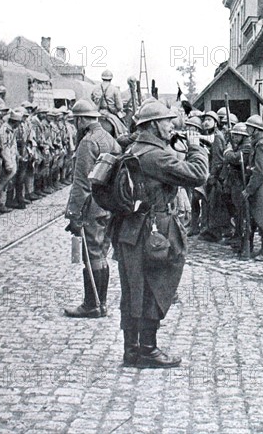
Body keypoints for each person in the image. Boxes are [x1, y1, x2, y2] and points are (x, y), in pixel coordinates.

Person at [109, 98, 208, 368]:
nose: (171, 125)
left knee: (133, 289)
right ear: (152, 125)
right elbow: (198, 174)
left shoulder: (135, 149)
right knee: (156, 285)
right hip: (153, 231)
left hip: (130, 229)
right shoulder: (156, 156)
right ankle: (148, 350)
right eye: (166, 121)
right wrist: (196, 148)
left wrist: (172, 147)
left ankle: (132, 350)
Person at [64, 99, 121, 318]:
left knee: (92, 254)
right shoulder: (110, 139)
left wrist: (73, 214)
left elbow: (81, 183)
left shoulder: (88, 142)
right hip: (109, 205)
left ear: (80, 120)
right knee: (101, 252)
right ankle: (100, 303)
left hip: (92, 206)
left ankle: (93, 304)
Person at [241, 114, 263, 261]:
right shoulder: (257, 142)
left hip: (261, 186)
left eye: (249, 127)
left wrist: (249, 190)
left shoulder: (261, 144)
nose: (247, 130)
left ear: (255, 129)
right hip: (258, 184)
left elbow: (260, 171)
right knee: (256, 216)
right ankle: (258, 249)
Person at [199, 111, 230, 243]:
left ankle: (216, 233)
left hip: (216, 175)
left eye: (209, 120)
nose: (206, 122)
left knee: (215, 204)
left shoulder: (217, 137)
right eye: (205, 120)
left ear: (216, 123)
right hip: (211, 173)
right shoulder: (209, 136)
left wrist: (212, 177)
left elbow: (218, 160)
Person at [223, 122, 252, 254]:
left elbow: (235, 158)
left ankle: (241, 239)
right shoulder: (241, 145)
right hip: (235, 181)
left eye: (236, 135)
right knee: (237, 211)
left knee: (241, 212)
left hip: (242, 182)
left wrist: (228, 150)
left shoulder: (247, 146)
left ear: (242, 136)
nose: (234, 137)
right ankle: (238, 236)